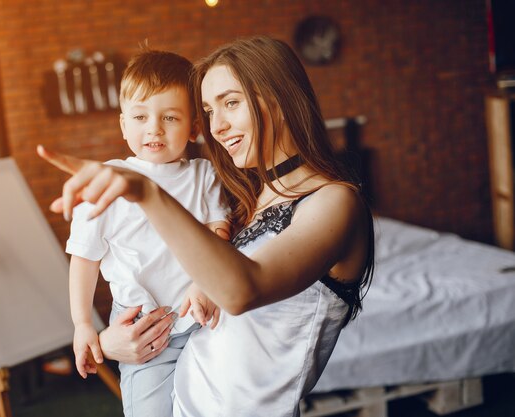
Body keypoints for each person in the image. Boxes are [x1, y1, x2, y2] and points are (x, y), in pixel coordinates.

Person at [39, 35, 374, 417]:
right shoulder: (245, 194)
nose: (218, 126)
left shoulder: (336, 202)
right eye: (210, 112)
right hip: (180, 396)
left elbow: (239, 290)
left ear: (280, 99)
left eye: (231, 103)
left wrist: (146, 191)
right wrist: (109, 341)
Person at [60, 48, 230, 417]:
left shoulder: (204, 176)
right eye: (140, 117)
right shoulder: (108, 180)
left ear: (194, 127)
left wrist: (206, 283)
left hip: (205, 316)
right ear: (124, 126)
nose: (153, 128)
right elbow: (84, 259)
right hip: (145, 329)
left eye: (170, 117)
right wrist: (82, 323)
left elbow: (220, 229)